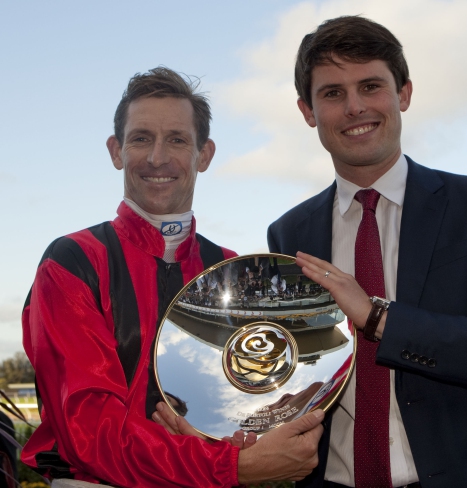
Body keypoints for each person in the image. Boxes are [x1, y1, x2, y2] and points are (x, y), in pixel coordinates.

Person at [267, 16, 467, 488]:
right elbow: (298, 375)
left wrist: (378, 318)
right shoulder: (289, 234)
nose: (355, 107)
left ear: (403, 93)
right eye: (333, 93)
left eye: (371, 86)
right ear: (308, 111)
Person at [22, 67, 322, 487]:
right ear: (116, 151)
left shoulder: (232, 268)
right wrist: (228, 465)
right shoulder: (73, 261)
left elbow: (248, 409)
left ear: (204, 154)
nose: (157, 158)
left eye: (177, 139)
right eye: (141, 138)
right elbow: (88, 431)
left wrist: (251, 437)